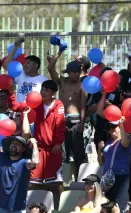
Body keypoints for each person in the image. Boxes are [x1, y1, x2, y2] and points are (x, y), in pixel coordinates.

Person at [48, 50, 88, 181]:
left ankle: (81, 181)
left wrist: (82, 122)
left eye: (78, 72)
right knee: (63, 155)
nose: (76, 74)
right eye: (73, 72)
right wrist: (59, 53)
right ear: (69, 73)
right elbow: (50, 68)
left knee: (79, 154)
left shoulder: (82, 85)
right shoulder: (62, 82)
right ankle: (65, 181)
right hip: (62, 121)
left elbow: (83, 105)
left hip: (76, 121)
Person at [97, 118, 131, 213]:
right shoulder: (108, 142)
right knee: (109, 206)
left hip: (121, 176)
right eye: (109, 128)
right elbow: (101, 163)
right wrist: (99, 150)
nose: (111, 130)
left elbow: (124, 142)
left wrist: (122, 126)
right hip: (108, 177)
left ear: (120, 127)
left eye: (114, 127)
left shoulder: (126, 139)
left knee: (118, 206)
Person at [4, 38, 48, 103]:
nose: (24, 65)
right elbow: (7, 65)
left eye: (28, 63)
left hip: (34, 111)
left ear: (36, 65)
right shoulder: (20, 74)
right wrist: (15, 48)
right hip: (19, 110)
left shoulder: (44, 80)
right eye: (24, 63)